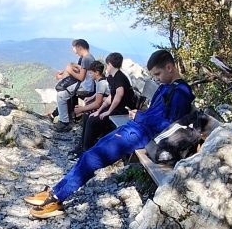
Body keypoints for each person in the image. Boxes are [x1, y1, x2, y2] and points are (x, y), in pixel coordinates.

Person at [24, 49, 194, 219]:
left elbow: (168, 126)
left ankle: (56, 200)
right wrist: (140, 115)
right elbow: (156, 114)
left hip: (141, 135)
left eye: (158, 74)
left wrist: (140, 116)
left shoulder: (181, 93)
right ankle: (55, 191)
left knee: (92, 158)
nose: (156, 78)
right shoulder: (167, 87)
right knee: (89, 154)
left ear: (170, 68)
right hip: (135, 128)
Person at [83, 52, 138, 152]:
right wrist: (99, 110)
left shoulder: (120, 77)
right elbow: (111, 97)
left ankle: (87, 149)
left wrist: (108, 112)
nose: (107, 67)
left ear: (110, 64)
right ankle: (84, 145)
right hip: (116, 108)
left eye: (107, 65)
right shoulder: (113, 77)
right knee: (89, 116)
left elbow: (118, 95)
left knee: (92, 121)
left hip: (123, 111)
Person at [54, 39, 96, 132]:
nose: (75, 53)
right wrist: (73, 67)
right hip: (87, 85)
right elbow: (82, 71)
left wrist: (70, 70)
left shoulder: (86, 59)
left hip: (85, 87)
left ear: (80, 47)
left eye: (76, 50)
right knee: (63, 91)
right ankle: (68, 117)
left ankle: (64, 122)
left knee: (61, 95)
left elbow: (81, 77)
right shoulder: (88, 57)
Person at [73, 61, 109, 155]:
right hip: (106, 106)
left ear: (97, 73)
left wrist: (81, 109)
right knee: (86, 115)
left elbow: (97, 103)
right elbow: (98, 94)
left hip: (108, 108)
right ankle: (83, 143)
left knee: (89, 117)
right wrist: (91, 97)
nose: (90, 74)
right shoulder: (101, 81)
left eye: (91, 72)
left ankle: (86, 148)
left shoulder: (101, 83)